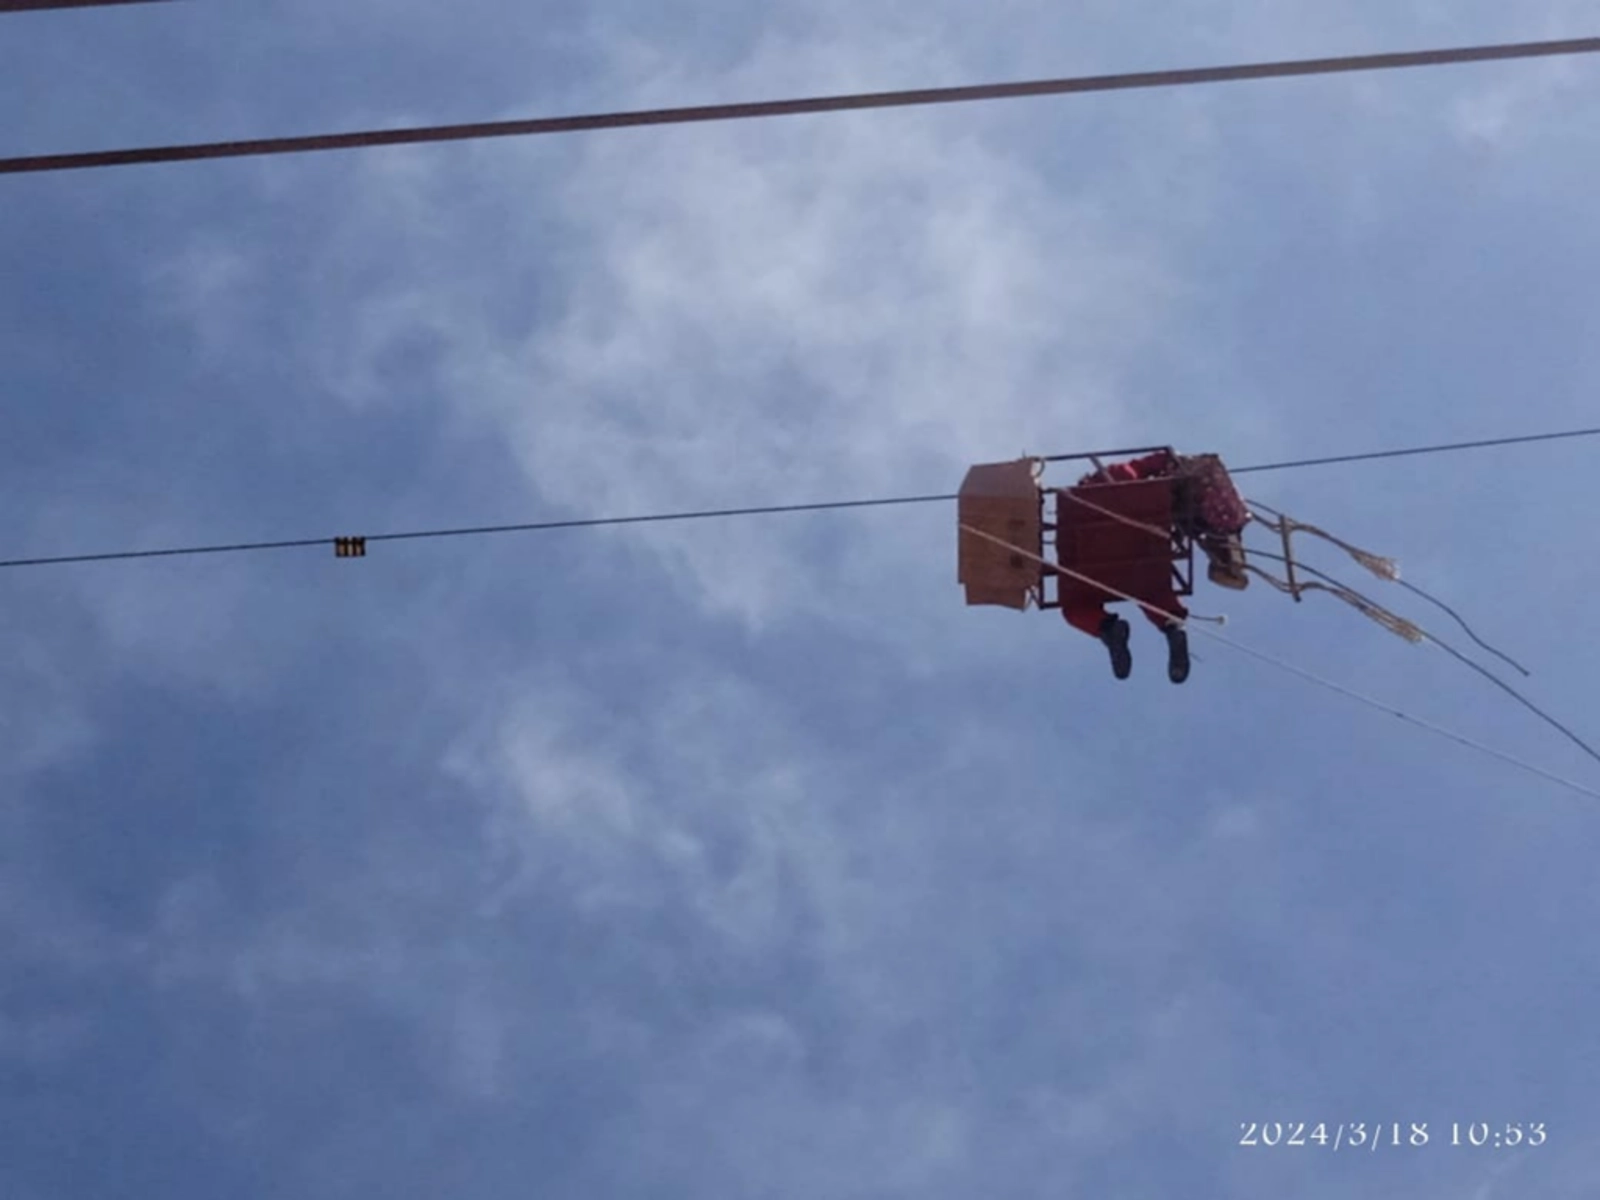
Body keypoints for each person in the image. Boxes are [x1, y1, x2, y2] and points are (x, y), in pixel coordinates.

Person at [1066, 451, 1191, 683]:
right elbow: (1162, 459)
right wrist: (1176, 467)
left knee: (1075, 608)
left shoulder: (1075, 503)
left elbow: (1065, 548)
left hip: (1095, 559)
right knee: (1152, 592)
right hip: (1142, 547)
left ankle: (1108, 629)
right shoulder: (1125, 472)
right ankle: (1172, 626)